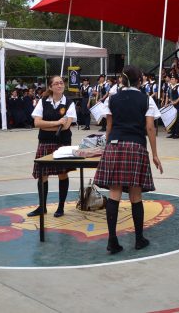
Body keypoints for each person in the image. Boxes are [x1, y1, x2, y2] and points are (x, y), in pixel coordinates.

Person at [94, 65, 163, 254]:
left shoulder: (113, 99)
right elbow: (150, 128)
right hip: (135, 146)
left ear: (122, 80)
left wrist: (107, 147)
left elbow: (109, 126)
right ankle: (139, 239)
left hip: (114, 145)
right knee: (135, 194)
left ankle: (112, 240)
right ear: (140, 80)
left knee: (115, 193)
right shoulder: (146, 99)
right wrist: (155, 154)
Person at [27, 75, 78, 218]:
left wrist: (47, 124)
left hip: (62, 143)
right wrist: (56, 124)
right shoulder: (42, 102)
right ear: (50, 87)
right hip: (44, 142)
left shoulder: (69, 103)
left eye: (61, 83)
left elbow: (66, 126)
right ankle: (42, 207)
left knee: (63, 173)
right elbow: (37, 123)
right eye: (56, 83)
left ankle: (60, 207)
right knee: (43, 175)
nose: (60, 85)